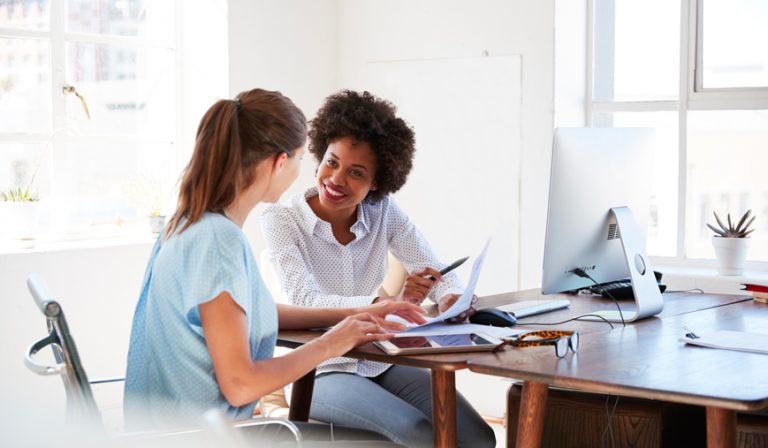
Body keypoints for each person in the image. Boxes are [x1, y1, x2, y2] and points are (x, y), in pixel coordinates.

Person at [123, 88, 425, 443]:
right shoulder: (218, 241)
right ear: (281, 162)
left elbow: (247, 315)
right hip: (205, 437)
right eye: (301, 158)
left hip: (172, 433)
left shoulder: (189, 225)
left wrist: (359, 312)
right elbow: (241, 385)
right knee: (396, 441)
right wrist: (331, 344)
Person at [261, 90, 495, 447]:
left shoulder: (382, 210)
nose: (336, 179)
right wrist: (379, 305)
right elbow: (305, 298)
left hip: (380, 359)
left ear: (377, 183)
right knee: (419, 435)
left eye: (356, 173)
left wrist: (450, 296)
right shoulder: (281, 219)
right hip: (321, 369)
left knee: (478, 438)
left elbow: (434, 267)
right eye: (331, 162)